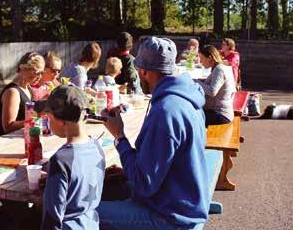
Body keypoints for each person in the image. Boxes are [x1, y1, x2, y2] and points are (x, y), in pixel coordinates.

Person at [98, 36, 210, 230]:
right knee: (109, 187)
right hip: (184, 198)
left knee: (77, 213)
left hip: (171, 216)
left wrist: (120, 137)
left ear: (143, 71)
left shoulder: (166, 111)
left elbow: (144, 183)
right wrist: (128, 170)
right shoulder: (187, 98)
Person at [35, 85, 105, 230]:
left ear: (60, 120)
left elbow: (52, 218)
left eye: (48, 116)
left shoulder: (61, 160)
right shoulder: (96, 147)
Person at [0, 52, 45, 136]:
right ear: (23, 68)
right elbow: (8, 127)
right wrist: (36, 120)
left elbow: (28, 116)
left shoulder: (28, 88)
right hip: (6, 143)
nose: (40, 77)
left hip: (21, 138)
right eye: (36, 72)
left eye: (42, 73)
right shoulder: (12, 92)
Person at [197, 45, 236, 126]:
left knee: (189, 118)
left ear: (210, 58)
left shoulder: (219, 69)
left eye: (201, 58)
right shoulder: (221, 67)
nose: (200, 61)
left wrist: (196, 82)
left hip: (220, 115)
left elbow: (212, 91)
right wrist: (201, 81)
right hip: (221, 112)